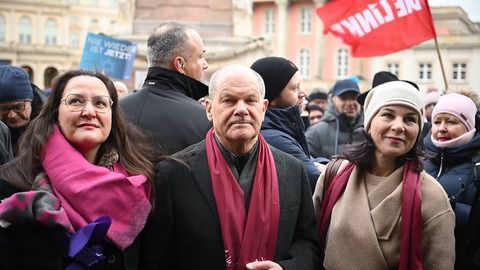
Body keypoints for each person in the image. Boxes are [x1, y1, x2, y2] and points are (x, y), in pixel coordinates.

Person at [140, 64, 320, 269]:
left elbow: (308, 245)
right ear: (209, 108)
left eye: (251, 100)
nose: (241, 110)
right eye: (229, 101)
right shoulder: (174, 173)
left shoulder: (292, 170)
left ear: (263, 108)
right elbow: (155, 258)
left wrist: (285, 268)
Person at [0, 70, 156, 269]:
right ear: (56, 113)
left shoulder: (142, 180)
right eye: (76, 101)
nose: (89, 112)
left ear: (112, 116)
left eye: (100, 103)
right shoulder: (13, 185)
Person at [313, 81, 455, 269]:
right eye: (388, 115)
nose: (398, 126)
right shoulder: (335, 175)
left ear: (418, 130)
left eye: (410, 119)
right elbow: (312, 245)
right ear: (369, 123)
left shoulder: (432, 196)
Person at [121, 22, 211, 155]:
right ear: (180, 64)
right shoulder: (203, 119)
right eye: (200, 56)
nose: (205, 65)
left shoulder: (115, 111)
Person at [251, 56, 327, 191]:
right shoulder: (273, 137)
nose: (303, 93)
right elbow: (314, 178)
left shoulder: (281, 128)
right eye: (295, 88)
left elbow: (308, 159)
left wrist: (325, 165)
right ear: (272, 98)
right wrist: (328, 168)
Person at [423, 92, 480, 269]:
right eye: (437, 121)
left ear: (469, 126)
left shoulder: (477, 166)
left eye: (452, 121)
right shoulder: (419, 160)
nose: (442, 128)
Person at [306, 78, 364, 159]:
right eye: (344, 98)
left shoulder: (369, 129)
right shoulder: (315, 133)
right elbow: (307, 162)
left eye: (354, 98)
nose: (350, 103)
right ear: (332, 100)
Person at [0, 65, 46, 155]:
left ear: (31, 101)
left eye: (18, 107)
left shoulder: (51, 129)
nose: (12, 115)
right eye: (3, 108)